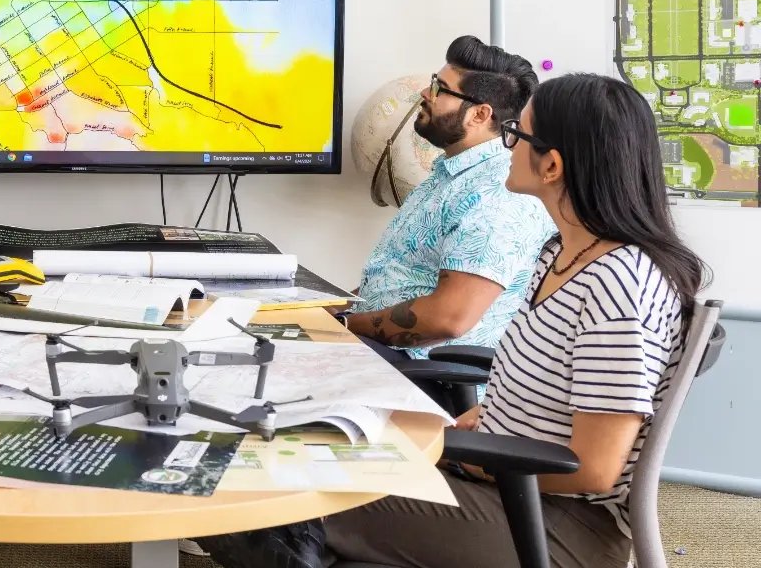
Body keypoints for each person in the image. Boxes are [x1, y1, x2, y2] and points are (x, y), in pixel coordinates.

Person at [201, 72, 705, 568]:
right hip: (504, 480)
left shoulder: (618, 285)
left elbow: (595, 469)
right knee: (279, 464)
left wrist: (470, 457)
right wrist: (488, 419)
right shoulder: (561, 254)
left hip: (553, 522)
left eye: (517, 134)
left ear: (551, 165)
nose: (506, 144)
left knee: (260, 488)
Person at [345, 36, 554, 359]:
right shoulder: (448, 175)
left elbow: (449, 319)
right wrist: (329, 309)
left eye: (440, 88)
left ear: (479, 115)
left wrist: (344, 324)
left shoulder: (496, 194)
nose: (425, 93)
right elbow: (398, 275)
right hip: (385, 350)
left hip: (422, 370)